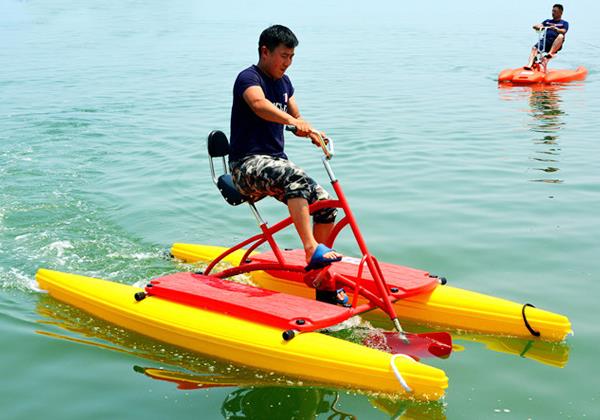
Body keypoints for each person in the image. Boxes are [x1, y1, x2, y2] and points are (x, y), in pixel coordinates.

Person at [228, 24, 343, 273]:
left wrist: (312, 132)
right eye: (284, 56)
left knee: (325, 204)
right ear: (265, 52)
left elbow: (297, 116)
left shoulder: (284, 83)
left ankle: (318, 270)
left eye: (291, 57)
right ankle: (311, 248)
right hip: (245, 166)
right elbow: (259, 104)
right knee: (295, 178)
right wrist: (293, 122)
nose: (288, 62)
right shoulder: (249, 78)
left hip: (275, 163)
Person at [525, 4, 569, 70]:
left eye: (555, 11)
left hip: (556, 43)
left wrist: (556, 29)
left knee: (560, 36)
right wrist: (538, 26)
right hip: (545, 41)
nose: (553, 13)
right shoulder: (547, 21)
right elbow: (538, 25)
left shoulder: (564, 23)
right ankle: (529, 65)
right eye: (552, 11)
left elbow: (564, 31)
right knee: (534, 48)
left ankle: (550, 53)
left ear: (560, 13)